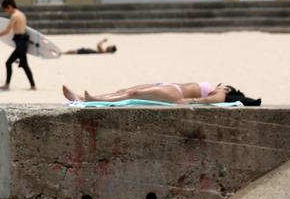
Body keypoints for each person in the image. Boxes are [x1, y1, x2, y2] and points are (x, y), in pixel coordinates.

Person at [63, 82, 261, 106]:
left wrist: (191, 100)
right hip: (170, 86)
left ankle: (94, 99)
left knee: (133, 93)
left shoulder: (223, 90)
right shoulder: (218, 88)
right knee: (125, 90)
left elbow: (215, 99)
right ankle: (82, 97)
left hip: (175, 92)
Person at [0, 0, 36, 90]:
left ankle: (32, 86)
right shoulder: (21, 14)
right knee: (14, 63)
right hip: (22, 42)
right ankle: (11, 85)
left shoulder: (14, 16)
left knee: (18, 64)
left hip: (21, 43)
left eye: (6, 9)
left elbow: (7, 31)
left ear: (9, 6)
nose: (6, 12)